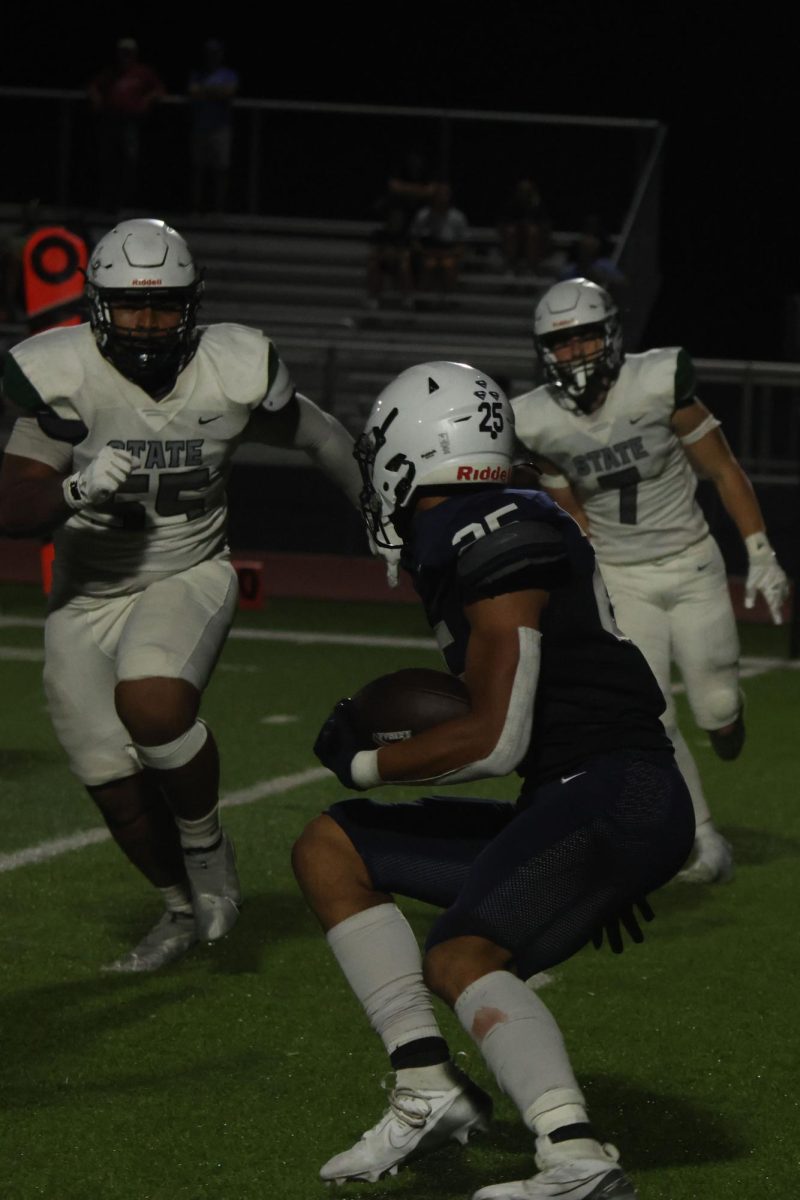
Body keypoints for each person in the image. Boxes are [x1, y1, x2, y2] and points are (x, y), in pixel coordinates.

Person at [292, 361, 695, 1199]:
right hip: (583, 796)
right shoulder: (490, 520)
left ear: (406, 454)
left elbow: (496, 735)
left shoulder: (489, 528)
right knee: (331, 849)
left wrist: (366, 761)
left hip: (617, 789)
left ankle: (574, 1154)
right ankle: (427, 1088)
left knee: (459, 952)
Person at [0, 218, 363, 973]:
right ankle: (177, 907)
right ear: (97, 308)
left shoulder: (230, 367)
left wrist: (381, 518)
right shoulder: (61, 374)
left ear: (191, 306)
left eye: (163, 306)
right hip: (85, 596)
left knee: (154, 705)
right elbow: (14, 508)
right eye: (130, 307)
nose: (147, 323)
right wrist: (72, 488)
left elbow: (323, 437)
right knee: (110, 782)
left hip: (187, 569)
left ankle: (207, 854)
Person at [512, 278, 789, 884]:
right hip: (622, 574)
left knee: (716, 709)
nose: (576, 353)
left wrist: (760, 550)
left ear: (610, 335)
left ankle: (727, 721)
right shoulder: (533, 420)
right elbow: (572, 514)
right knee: (651, 714)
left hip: (691, 562)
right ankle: (703, 837)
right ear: (543, 351)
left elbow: (722, 468)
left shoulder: (659, 380)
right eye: (561, 343)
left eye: (586, 337)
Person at [88, 38, 165, 210]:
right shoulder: (111, 73)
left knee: (129, 163)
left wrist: (148, 99)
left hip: (131, 123)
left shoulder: (142, 72)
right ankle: (106, 202)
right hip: (110, 121)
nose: (125, 56)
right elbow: (94, 86)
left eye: (129, 53)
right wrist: (96, 98)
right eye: (123, 53)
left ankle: (126, 203)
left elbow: (159, 90)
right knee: (108, 162)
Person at [187, 38, 240, 213]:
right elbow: (193, 92)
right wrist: (215, 93)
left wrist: (205, 92)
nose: (212, 56)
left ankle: (219, 209)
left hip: (221, 128)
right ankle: (196, 208)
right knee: (198, 169)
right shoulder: (198, 73)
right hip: (201, 126)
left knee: (221, 170)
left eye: (215, 53)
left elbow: (229, 92)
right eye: (209, 53)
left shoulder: (228, 74)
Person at [409, 183, 468, 304]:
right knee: (428, 264)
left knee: (448, 264)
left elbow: (462, 244)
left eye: (444, 195)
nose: (441, 198)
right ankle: (423, 300)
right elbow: (414, 240)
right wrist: (425, 252)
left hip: (449, 251)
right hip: (428, 251)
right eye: (438, 195)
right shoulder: (423, 215)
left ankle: (448, 299)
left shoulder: (458, 217)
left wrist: (448, 253)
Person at [497, 177, 552, 279]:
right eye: (522, 191)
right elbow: (503, 225)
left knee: (533, 232)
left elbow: (545, 227)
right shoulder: (511, 205)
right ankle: (510, 267)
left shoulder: (538, 206)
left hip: (535, 244)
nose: (524, 193)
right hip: (514, 242)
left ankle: (531, 269)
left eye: (527, 191)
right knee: (510, 232)